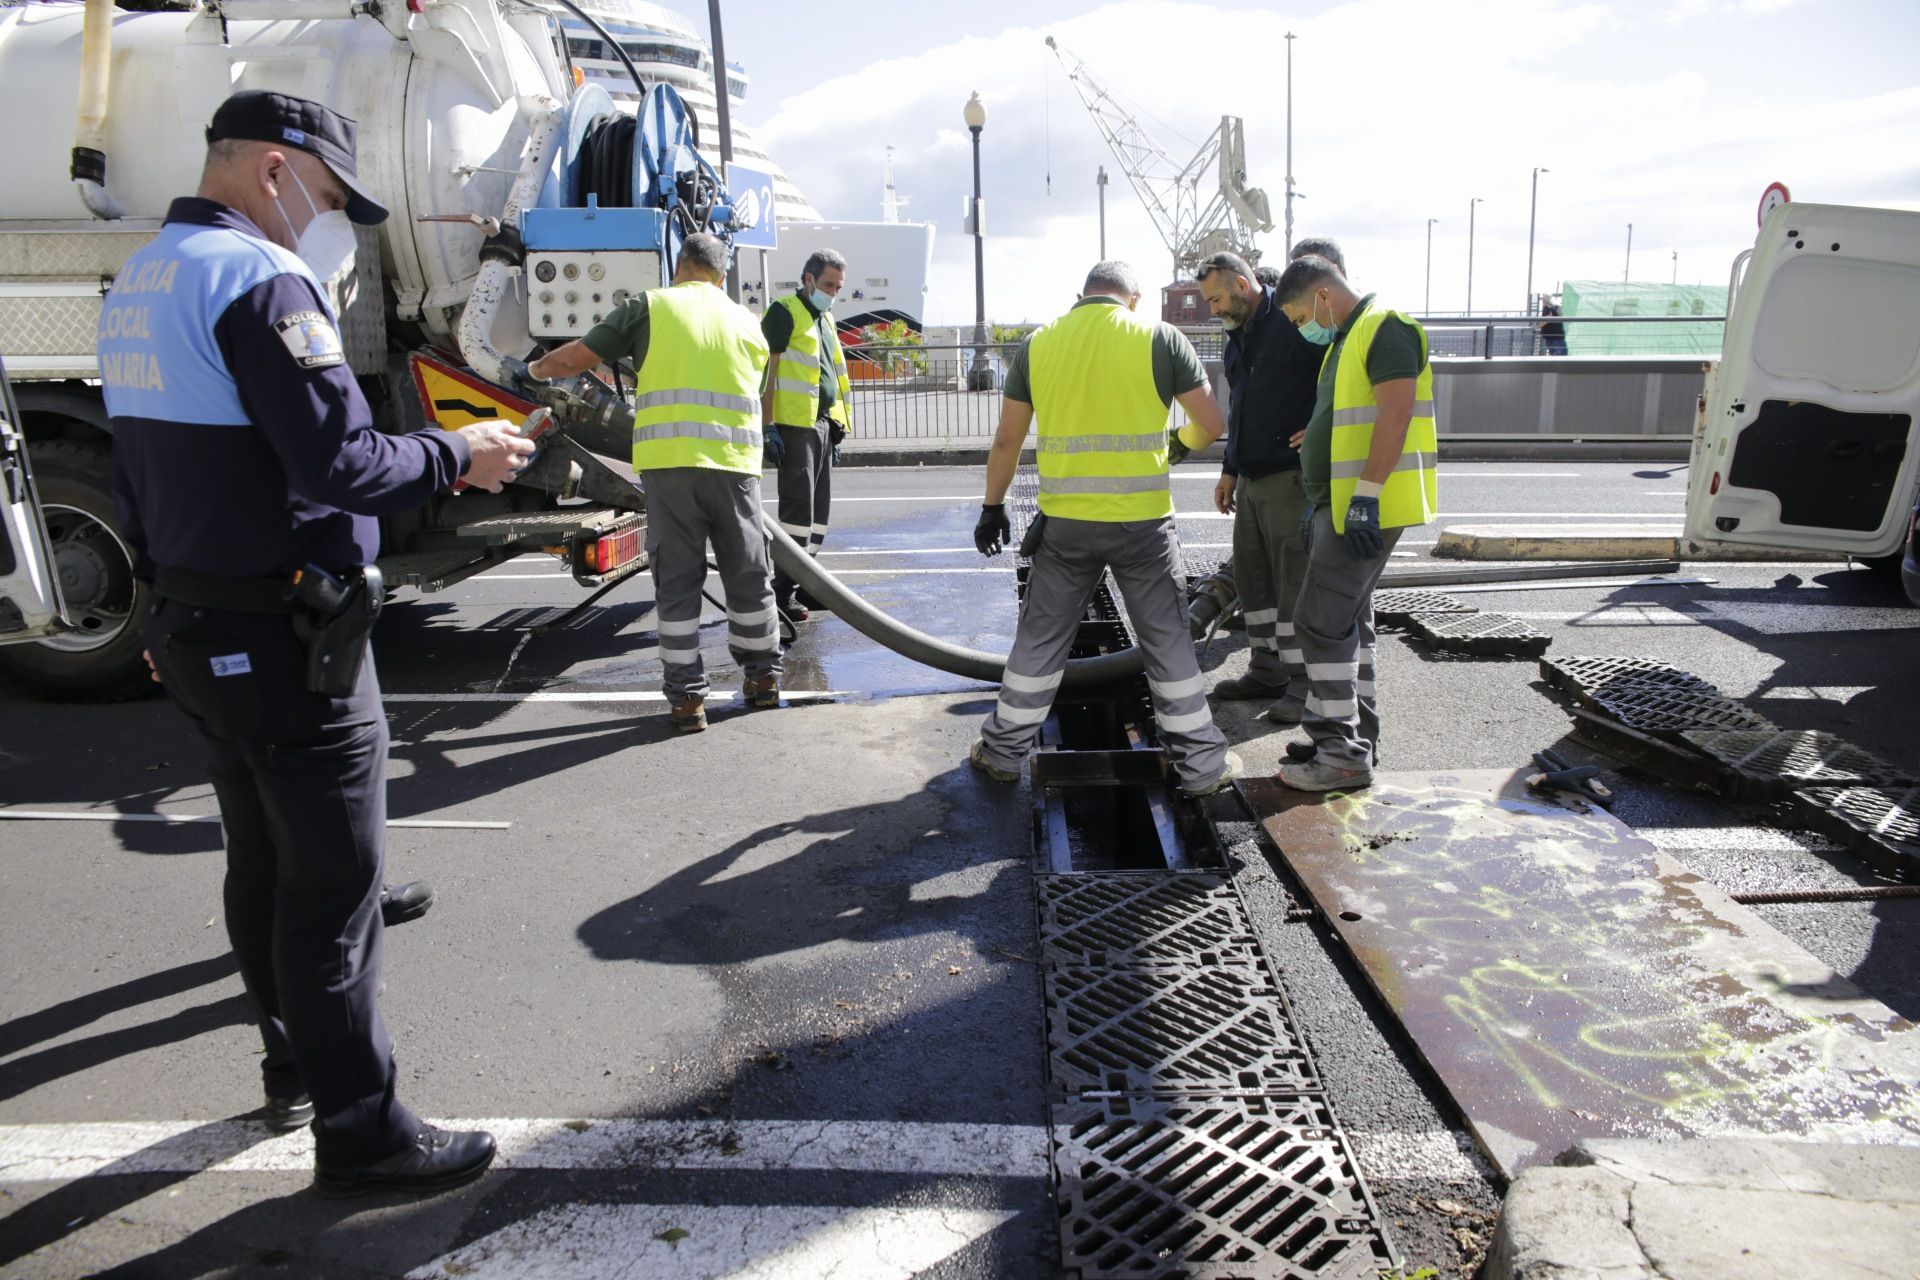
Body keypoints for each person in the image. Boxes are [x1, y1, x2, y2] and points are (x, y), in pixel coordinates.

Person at [103, 89, 527, 1195]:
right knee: (333, 881)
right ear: (276, 170)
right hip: (287, 632)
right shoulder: (259, 281)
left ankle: (294, 1063)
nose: (324, 219)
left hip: (200, 623)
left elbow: (132, 468)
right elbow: (339, 464)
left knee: (263, 858)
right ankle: (362, 1126)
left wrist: (154, 604)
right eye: (329, 195)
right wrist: (455, 454)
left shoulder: (145, 276)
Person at [968, 260, 1241, 795]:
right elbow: (1211, 424)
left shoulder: (1040, 344)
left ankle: (1001, 753)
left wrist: (992, 506)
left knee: (1041, 642)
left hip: (1066, 526)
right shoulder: (1161, 338)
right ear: (1133, 298)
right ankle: (1202, 769)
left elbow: (1007, 440)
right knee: (1167, 642)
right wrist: (1173, 448)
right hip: (1143, 525)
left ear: (1082, 296)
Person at [525, 233, 780, 732]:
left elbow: (577, 358)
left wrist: (532, 368)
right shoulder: (750, 323)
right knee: (749, 574)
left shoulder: (652, 306)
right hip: (736, 469)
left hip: (671, 469)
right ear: (722, 276)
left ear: (679, 266)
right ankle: (764, 680)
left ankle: (687, 702)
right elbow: (759, 398)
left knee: (679, 582)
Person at [1271, 254, 1438, 791]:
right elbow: (1341, 424)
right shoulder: (1347, 340)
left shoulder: (1383, 327)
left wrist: (1363, 497)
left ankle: (1340, 752)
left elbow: (1396, 413)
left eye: (1299, 318)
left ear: (1322, 295)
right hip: (1342, 507)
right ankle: (1349, 734)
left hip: (1364, 511)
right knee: (1349, 625)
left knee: (1319, 622)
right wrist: (1320, 499)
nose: (1303, 331)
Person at [1192, 239, 1347, 724]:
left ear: (1243, 284)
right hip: (1254, 476)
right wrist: (1229, 468)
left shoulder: (1292, 318)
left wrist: (1326, 422)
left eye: (1216, 300)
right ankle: (1266, 670)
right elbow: (1241, 407)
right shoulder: (1237, 332)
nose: (1213, 310)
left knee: (1293, 584)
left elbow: (1341, 373)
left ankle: (1302, 687)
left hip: (1290, 476)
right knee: (1255, 583)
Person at [760, 248, 852, 621]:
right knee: (798, 512)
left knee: (817, 516)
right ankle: (782, 592)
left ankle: (806, 583)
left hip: (821, 425)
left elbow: (831, 374)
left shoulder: (824, 318)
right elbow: (766, 372)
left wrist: (836, 423)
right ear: (808, 278)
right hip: (794, 427)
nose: (833, 292)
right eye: (829, 284)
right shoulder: (785, 312)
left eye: (838, 287)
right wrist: (768, 426)